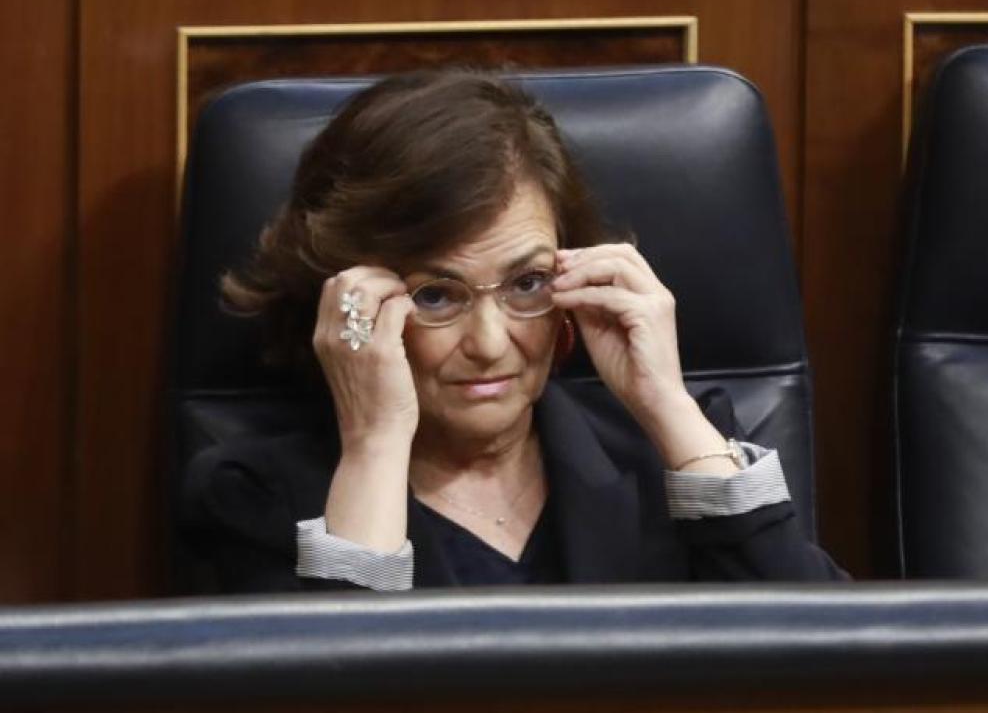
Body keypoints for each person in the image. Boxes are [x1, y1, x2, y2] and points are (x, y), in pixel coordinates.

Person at [181, 70, 847, 591]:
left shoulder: (668, 453)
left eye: (527, 284)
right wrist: (375, 447)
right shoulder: (256, 496)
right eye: (436, 295)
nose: (491, 343)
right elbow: (334, 689)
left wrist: (668, 407)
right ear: (351, 301)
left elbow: (823, 665)